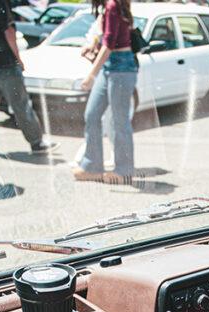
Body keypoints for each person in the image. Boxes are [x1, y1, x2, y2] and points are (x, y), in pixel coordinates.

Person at [0, 0, 55, 164]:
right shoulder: (0, 2)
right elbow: (8, 30)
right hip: (5, 60)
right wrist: (18, 58)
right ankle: (37, 143)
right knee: (20, 103)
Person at [73, 0, 137, 184]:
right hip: (110, 67)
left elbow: (109, 43)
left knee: (119, 121)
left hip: (121, 67)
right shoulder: (111, 6)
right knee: (92, 114)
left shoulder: (113, 5)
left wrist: (91, 75)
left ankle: (124, 171)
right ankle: (92, 166)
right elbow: (107, 38)